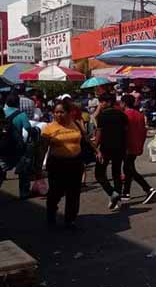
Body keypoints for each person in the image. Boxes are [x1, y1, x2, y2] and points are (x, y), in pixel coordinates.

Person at [41, 102, 90, 230]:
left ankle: (70, 219)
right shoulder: (48, 128)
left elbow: (85, 139)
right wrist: (38, 166)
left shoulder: (76, 124)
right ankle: (51, 213)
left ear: (68, 113)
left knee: (73, 192)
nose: (58, 114)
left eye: (61, 112)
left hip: (75, 163)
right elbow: (43, 148)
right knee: (55, 191)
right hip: (57, 164)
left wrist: (97, 151)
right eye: (56, 112)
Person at [121, 94, 156, 204]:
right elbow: (143, 131)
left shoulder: (125, 115)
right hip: (137, 144)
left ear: (124, 103)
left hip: (128, 145)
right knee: (128, 168)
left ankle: (148, 188)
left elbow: (124, 131)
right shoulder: (139, 115)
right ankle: (126, 192)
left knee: (129, 168)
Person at [94, 94, 127, 211]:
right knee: (116, 173)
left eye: (101, 102)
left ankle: (112, 193)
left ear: (108, 102)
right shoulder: (122, 115)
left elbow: (99, 133)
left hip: (105, 148)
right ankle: (117, 199)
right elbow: (126, 131)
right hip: (120, 148)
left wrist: (95, 148)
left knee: (99, 174)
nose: (100, 104)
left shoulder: (102, 116)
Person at [4, 93, 32, 199]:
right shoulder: (21, 115)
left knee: (2, 165)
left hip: (2, 146)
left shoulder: (2, 113)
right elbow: (28, 128)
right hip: (16, 146)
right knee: (24, 168)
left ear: (6, 102)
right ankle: (24, 192)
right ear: (17, 103)